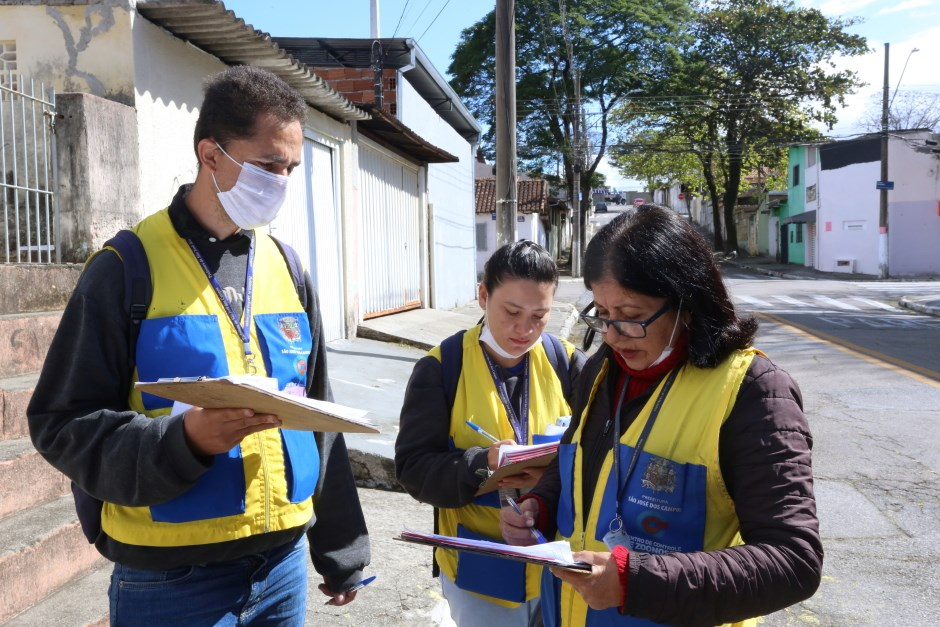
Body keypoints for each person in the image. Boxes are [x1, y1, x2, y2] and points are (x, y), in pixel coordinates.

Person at [27, 66, 369, 625]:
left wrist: (341, 549)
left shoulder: (287, 268)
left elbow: (316, 413)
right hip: (170, 581)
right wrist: (183, 440)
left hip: (281, 569)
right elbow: (60, 424)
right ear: (210, 155)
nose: (280, 181)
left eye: (290, 168)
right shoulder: (124, 269)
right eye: (266, 165)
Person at [500, 205, 823, 626]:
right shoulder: (601, 369)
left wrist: (635, 582)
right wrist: (538, 508)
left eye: (633, 317)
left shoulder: (752, 391)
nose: (613, 335)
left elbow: (793, 561)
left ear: (686, 302)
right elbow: (576, 459)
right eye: (603, 314)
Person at [395, 240, 586, 626]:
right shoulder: (442, 368)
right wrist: (483, 463)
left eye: (540, 316)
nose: (524, 329)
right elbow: (414, 471)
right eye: (512, 311)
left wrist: (553, 475)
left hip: (559, 563)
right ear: (483, 295)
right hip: (483, 567)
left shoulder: (566, 362)